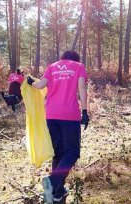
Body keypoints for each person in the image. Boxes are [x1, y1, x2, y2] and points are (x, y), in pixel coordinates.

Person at [27, 50, 89, 203]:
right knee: (72, 152)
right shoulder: (79, 66)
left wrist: (30, 82)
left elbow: (40, 85)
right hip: (69, 115)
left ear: (63, 58)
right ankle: (53, 181)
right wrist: (85, 111)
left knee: (58, 153)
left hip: (52, 115)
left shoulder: (52, 66)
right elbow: (82, 88)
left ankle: (57, 192)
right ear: (76, 58)